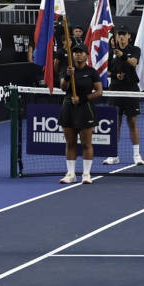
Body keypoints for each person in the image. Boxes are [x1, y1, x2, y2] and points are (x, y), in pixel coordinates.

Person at [53, 36, 103, 186]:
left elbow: (99, 91)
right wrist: (69, 76)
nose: (78, 54)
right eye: (75, 52)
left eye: (81, 52)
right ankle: (71, 174)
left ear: (86, 55)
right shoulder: (66, 70)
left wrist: (82, 98)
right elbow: (63, 88)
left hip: (85, 108)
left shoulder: (92, 72)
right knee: (70, 143)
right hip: (68, 108)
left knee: (87, 144)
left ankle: (86, 174)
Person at [106, 28, 144, 164]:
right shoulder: (110, 52)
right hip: (115, 90)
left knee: (132, 122)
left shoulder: (135, 50)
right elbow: (106, 71)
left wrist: (122, 55)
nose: (121, 37)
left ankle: (136, 155)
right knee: (115, 123)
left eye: (124, 35)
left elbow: (134, 62)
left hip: (130, 90)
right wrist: (115, 75)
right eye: (119, 35)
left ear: (128, 36)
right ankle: (113, 155)